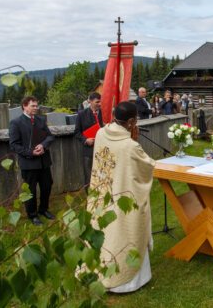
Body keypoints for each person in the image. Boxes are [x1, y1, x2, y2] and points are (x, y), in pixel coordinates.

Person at [88, 101, 156, 293]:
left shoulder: (101, 133)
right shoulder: (129, 146)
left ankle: (97, 269)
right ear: (132, 121)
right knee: (124, 230)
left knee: (104, 230)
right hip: (121, 195)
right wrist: (134, 141)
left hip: (102, 192)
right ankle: (125, 281)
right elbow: (147, 165)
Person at [9, 96, 55, 226]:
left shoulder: (41, 120)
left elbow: (50, 137)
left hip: (44, 161)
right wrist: (30, 152)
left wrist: (43, 145)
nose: (36, 108)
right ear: (24, 105)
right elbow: (14, 145)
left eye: (36, 106)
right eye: (33, 106)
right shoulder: (16, 122)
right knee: (31, 191)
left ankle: (43, 209)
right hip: (28, 163)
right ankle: (32, 215)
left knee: (47, 186)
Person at [74, 92, 104, 189]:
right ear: (90, 101)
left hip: (103, 150)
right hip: (89, 151)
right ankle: (90, 200)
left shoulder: (104, 113)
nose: (99, 104)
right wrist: (86, 140)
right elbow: (77, 132)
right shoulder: (81, 114)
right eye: (97, 102)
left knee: (103, 175)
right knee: (89, 177)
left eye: (100, 102)